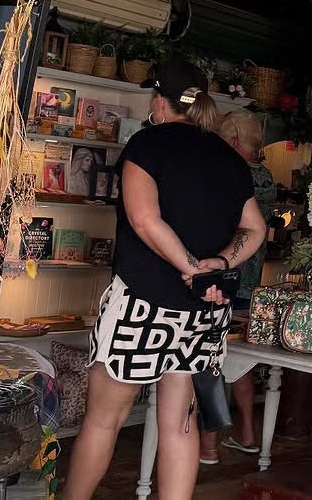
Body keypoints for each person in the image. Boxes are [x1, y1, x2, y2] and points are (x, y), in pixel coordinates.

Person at [63, 59, 267, 500]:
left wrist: (189, 266)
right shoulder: (229, 158)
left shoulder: (147, 144)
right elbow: (255, 229)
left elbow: (144, 219)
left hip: (143, 301)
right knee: (180, 424)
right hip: (203, 312)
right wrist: (217, 263)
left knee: (104, 420)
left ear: (159, 100)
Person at [199, 109, 276, 464]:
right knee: (240, 362)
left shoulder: (227, 171)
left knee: (206, 357)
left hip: (220, 277)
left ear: (230, 140)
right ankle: (246, 433)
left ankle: (208, 447)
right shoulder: (266, 177)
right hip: (250, 283)